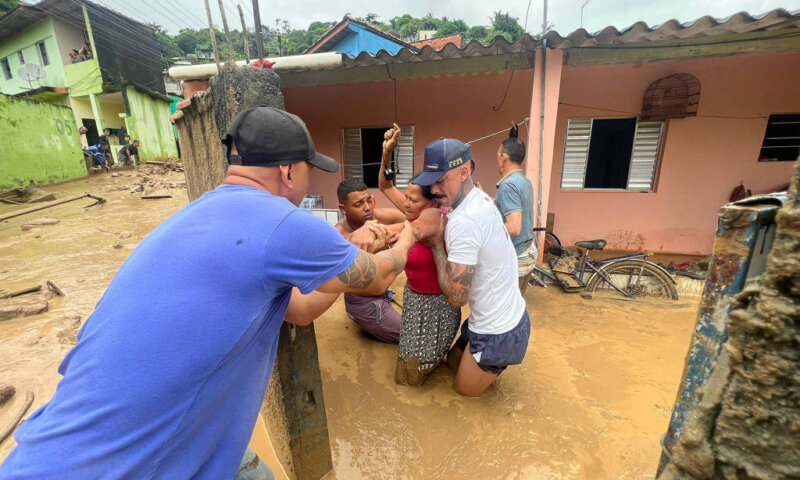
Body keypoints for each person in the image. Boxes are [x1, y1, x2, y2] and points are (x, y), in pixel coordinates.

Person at [0, 107, 418, 479]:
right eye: (309, 169)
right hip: (129, 463)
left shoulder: (195, 216)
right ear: (290, 172)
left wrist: (345, 264)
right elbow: (380, 278)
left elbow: (301, 309)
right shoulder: (282, 222)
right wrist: (410, 234)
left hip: (56, 446)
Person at [413, 138, 530, 397]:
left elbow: (456, 297)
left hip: (498, 332)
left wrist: (435, 245)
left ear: (464, 172)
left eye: (441, 180)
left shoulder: (464, 222)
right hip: (499, 317)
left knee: (462, 398)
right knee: (450, 365)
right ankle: (487, 373)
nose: (433, 189)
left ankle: (491, 372)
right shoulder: (479, 196)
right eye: (430, 182)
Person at [379, 125, 461, 386]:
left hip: (436, 307)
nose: (405, 203)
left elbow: (411, 232)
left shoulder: (434, 220)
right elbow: (384, 185)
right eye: (406, 197)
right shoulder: (412, 212)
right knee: (412, 368)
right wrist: (386, 154)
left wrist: (389, 242)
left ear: (432, 201)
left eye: (412, 200)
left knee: (416, 374)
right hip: (415, 301)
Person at [335, 178, 407, 343]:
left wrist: (378, 230)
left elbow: (412, 222)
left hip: (383, 293)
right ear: (343, 209)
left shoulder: (379, 217)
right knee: (415, 338)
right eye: (358, 204)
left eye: (369, 200)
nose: (367, 207)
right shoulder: (340, 236)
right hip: (365, 304)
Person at [494, 137, 535, 293]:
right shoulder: (524, 181)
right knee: (517, 306)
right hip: (528, 251)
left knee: (505, 312)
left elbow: (513, 227)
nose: (497, 159)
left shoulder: (509, 185)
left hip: (517, 257)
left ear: (505, 156)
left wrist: (484, 230)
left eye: (498, 154)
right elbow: (511, 206)